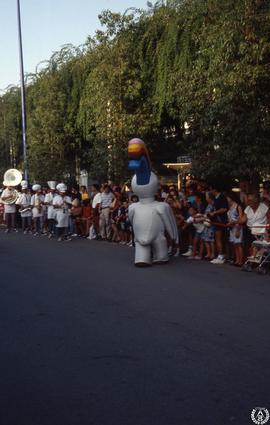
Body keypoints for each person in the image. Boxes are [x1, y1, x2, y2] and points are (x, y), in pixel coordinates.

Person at [241, 193, 270, 257]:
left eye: (250, 200)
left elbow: (269, 217)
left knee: (257, 248)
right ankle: (251, 261)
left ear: (256, 200)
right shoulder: (248, 208)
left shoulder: (264, 207)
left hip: (261, 231)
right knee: (249, 247)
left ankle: (256, 261)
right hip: (249, 230)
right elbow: (243, 220)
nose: (248, 202)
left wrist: (267, 227)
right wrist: (235, 222)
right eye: (248, 200)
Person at [209, 185, 229, 264]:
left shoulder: (221, 197)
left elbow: (224, 208)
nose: (210, 192)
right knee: (220, 239)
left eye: (211, 190)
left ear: (214, 190)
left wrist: (214, 212)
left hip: (220, 220)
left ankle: (221, 256)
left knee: (219, 238)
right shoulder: (217, 198)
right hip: (217, 220)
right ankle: (222, 255)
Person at [226, 192, 244, 266]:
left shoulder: (238, 206)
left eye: (227, 197)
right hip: (231, 227)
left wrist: (238, 229)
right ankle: (237, 260)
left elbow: (240, 219)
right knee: (235, 244)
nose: (227, 199)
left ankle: (241, 261)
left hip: (237, 227)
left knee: (238, 244)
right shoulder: (230, 206)